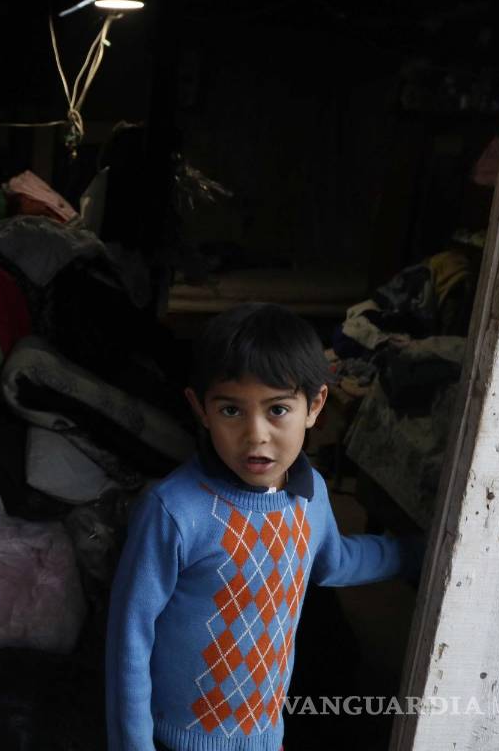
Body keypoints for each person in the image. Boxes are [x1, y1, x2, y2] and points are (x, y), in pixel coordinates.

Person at [105, 303, 419, 751]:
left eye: (277, 410)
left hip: (264, 736)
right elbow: (129, 639)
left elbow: (334, 562)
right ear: (201, 409)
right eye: (232, 410)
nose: (256, 435)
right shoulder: (173, 511)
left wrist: (418, 552)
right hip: (177, 740)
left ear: (314, 406)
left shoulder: (310, 497)